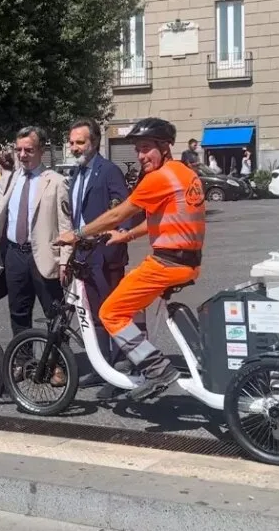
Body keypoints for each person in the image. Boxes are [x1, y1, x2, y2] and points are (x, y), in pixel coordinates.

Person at [55, 117, 205, 401]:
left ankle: (157, 368)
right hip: (186, 261)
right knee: (131, 302)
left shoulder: (158, 178)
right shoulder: (184, 174)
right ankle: (134, 359)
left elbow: (118, 213)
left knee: (110, 312)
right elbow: (163, 219)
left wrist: (77, 234)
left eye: (146, 148)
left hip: (168, 263)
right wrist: (127, 236)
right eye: (137, 149)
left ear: (164, 147)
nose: (140, 156)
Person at [0, 126, 73, 386]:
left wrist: (65, 261)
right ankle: (23, 361)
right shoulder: (12, 179)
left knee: (54, 315)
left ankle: (58, 365)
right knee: (18, 313)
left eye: (29, 150)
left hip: (44, 257)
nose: (23, 155)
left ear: (41, 150)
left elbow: (66, 226)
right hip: (14, 254)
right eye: (19, 150)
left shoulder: (56, 182)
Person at [66, 119, 143, 396]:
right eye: (72, 143)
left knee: (113, 314)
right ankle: (102, 368)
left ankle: (121, 371)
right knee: (94, 314)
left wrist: (120, 235)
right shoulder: (76, 173)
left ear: (95, 142)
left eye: (80, 142)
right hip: (84, 253)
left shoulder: (108, 170)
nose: (74, 148)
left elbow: (125, 209)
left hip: (107, 253)